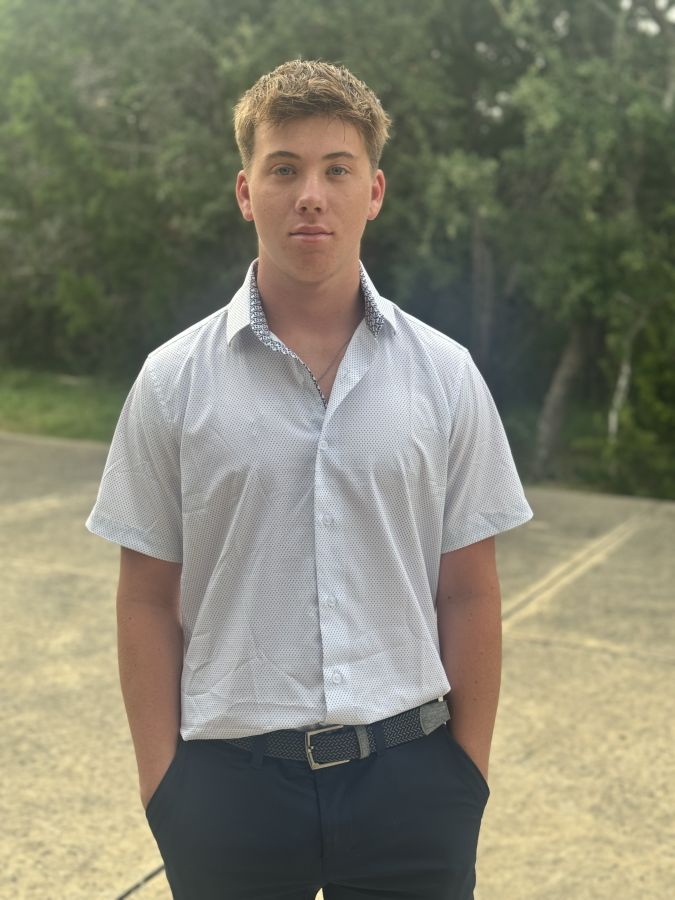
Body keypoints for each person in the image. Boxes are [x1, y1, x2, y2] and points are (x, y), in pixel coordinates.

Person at [86, 59, 532, 900]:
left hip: (412, 784)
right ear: (245, 190)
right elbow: (145, 596)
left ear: (374, 191)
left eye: (337, 169)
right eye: (284, 168)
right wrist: (164, 785)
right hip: (225, 792)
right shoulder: (172, 381)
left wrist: (463, 779)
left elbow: (469, 590)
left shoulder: (444, 376)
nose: (311, 196)